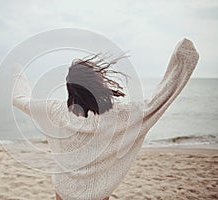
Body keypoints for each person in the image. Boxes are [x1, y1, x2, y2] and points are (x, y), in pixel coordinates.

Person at [12, 38, 199, 200]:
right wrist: (182, 62)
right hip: (97, 193)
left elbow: (21, 100)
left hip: (64, 189)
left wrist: (17, 71)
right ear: (96, 85)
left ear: (70, 89)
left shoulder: (54, 110)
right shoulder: (119, 115)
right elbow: (157, 102)